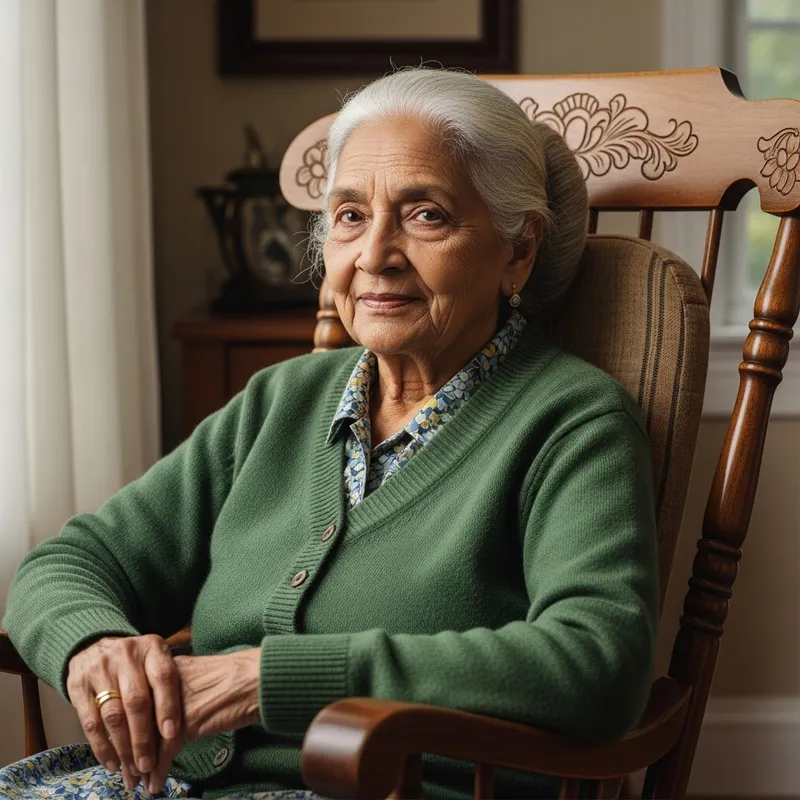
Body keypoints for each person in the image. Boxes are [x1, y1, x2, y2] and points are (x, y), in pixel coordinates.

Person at [1, 67, 659, 800]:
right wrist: (95, 646)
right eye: (350, 215)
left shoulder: (573, 423)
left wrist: (263, 678)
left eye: (426, 215)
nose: (373, 254)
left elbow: (597, 663)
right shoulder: (283, 401)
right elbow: (70, 561)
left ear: (518, 249)